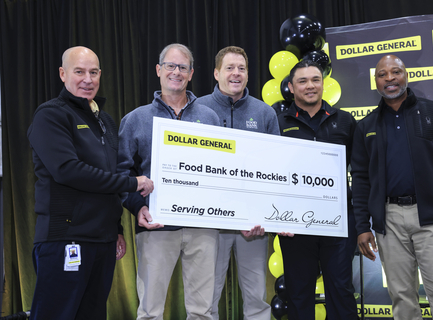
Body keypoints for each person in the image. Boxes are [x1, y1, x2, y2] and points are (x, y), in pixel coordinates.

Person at [117, 43, 263, 320]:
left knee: (203, 311)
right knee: (150, 311)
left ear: (192, 73)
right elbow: (122, 174)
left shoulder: (209, 119)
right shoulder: (136, 119)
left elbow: (223, 171)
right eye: (170, 66)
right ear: (159, 70)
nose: (176, 72)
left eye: (182, 67)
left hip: (203, 228)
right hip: (156, 226)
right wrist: (138, 207)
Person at [27, 46, 154, 320]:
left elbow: (107, 179)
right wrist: (132, 183)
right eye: (79, 72)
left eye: (94, 72)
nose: (88, 79)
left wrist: (117, 228)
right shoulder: (50, 115)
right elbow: (68, 171)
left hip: (103, 242)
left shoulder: (105, 121)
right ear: (63, 74)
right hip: (65, 240)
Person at [351, 54, 433, 320]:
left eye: (396, 72)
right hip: (389, 220)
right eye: (382, 74)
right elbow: (360, 179)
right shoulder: (366, 126)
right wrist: (362, 227)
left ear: (406, 75)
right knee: (402, 298)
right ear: (376, 82)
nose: (390, 78)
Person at [196, 46, 279, 320]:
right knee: (205, 298)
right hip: (209, 224)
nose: (236, 73)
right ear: (216, 73)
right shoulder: (197, 108)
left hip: (253, 225)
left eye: (241, 68)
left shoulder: (265, 113)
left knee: (257, 298)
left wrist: (263, 214)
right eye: (229, 68)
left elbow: (275, 169)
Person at [277, 60, 358, 320]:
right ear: (290, 86)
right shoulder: (277, 124)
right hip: (295, 226)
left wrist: (359, 217)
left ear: (324, 83)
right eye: (302, 81)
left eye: (315, 79)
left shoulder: (345, 121)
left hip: (338, 226)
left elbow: (361, 172)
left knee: (341, 292)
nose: (310, 86)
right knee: (299, 295)